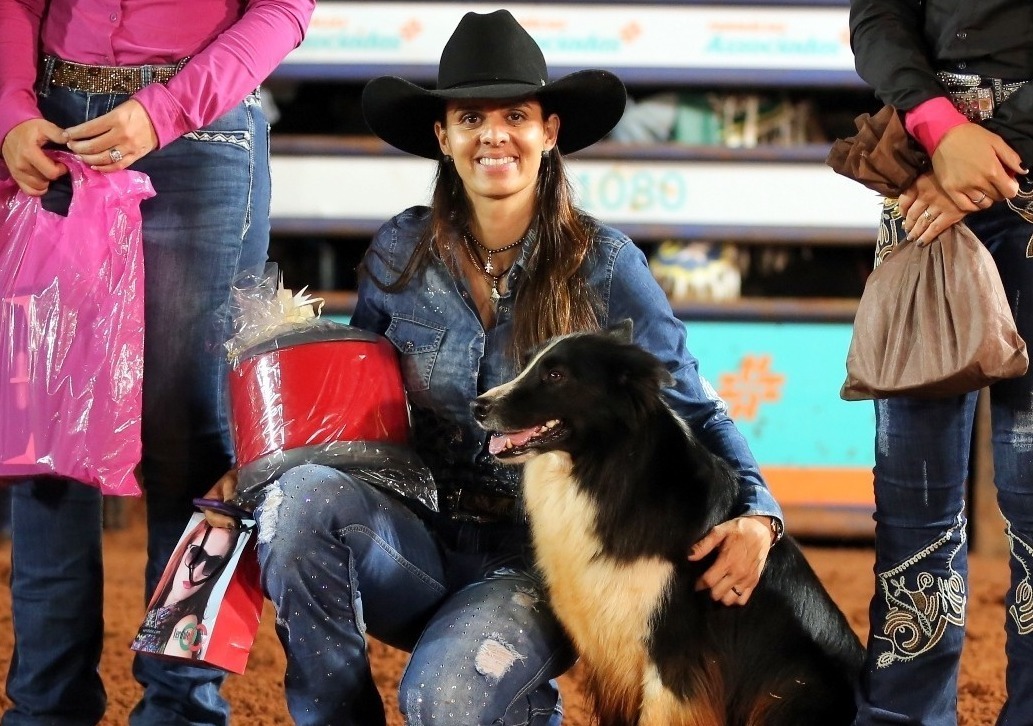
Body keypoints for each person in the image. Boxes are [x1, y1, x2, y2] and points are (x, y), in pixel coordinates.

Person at [204, 9, 785, 725]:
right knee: (297, 499)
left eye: (515, 114)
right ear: (443, 138)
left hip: (539, 562)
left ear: (549, 132)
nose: (494, 135)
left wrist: (758, 514)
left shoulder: (604, 267)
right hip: (412, 536)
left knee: (445, 699)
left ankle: (505, 687)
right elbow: (356, 406)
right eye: (470, 118)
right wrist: (262, 464)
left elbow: (691, 405)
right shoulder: (398, 252)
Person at [0, 1, 314, 724]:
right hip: (56, 123)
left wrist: (167, 108)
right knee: (48, 442)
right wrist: (15, 108)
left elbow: (284, 7)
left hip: (196, 128)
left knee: (190, 438)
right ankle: (49, 707)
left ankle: (179, 707)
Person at [848, 1, 1033, 724]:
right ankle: (903, 713)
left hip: (945, 172)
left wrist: (970, 152)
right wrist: (941, 128)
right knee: (910, 493)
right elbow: (875, 15)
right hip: (924, 161)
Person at [131, 518, 246, 659]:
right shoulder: (160, 608)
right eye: (196, 554)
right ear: (184, 548)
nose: (196, 573)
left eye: (212, 564)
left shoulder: (187, 623)